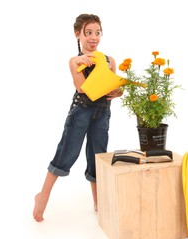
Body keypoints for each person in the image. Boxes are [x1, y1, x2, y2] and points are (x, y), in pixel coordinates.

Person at [33, 14, 123, 222]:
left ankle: (98, 201)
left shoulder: (109, 61)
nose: (94, 37)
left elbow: (114, 87)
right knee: (67, 152)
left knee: (98, 155)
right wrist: (79, 64)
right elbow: (81, 88)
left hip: (102, 112)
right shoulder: (75, 61)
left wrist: (117, 92)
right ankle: (43, 196)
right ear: (78, 34)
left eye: (97, 33)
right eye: (88, 33)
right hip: (81, 111)